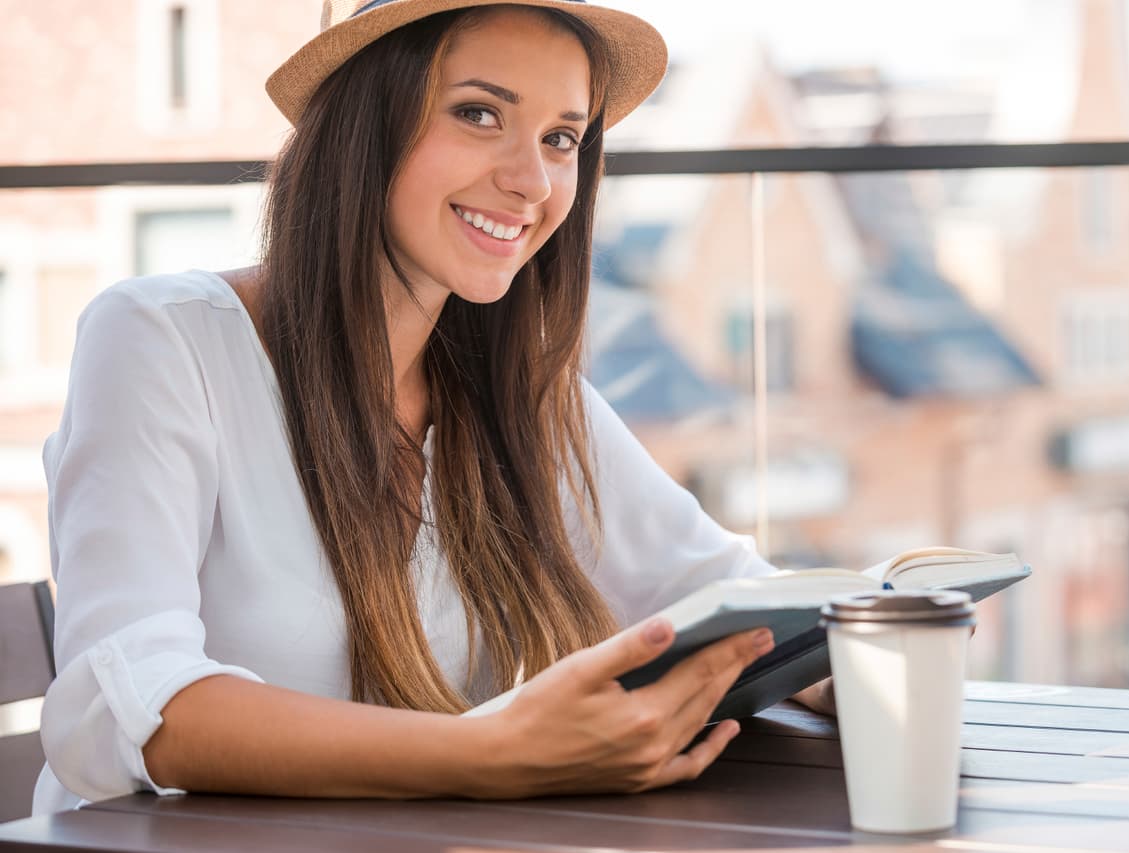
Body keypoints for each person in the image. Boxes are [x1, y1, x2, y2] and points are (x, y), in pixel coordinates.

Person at [34, 0, 833, 815]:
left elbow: (724, 592)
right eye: (479, 114)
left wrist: (854, 658)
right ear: (366, 122)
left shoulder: (523, 396)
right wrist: (498, 750)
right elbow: (130, 705)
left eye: (562, 137)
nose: (532, 181)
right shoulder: (161, 341)